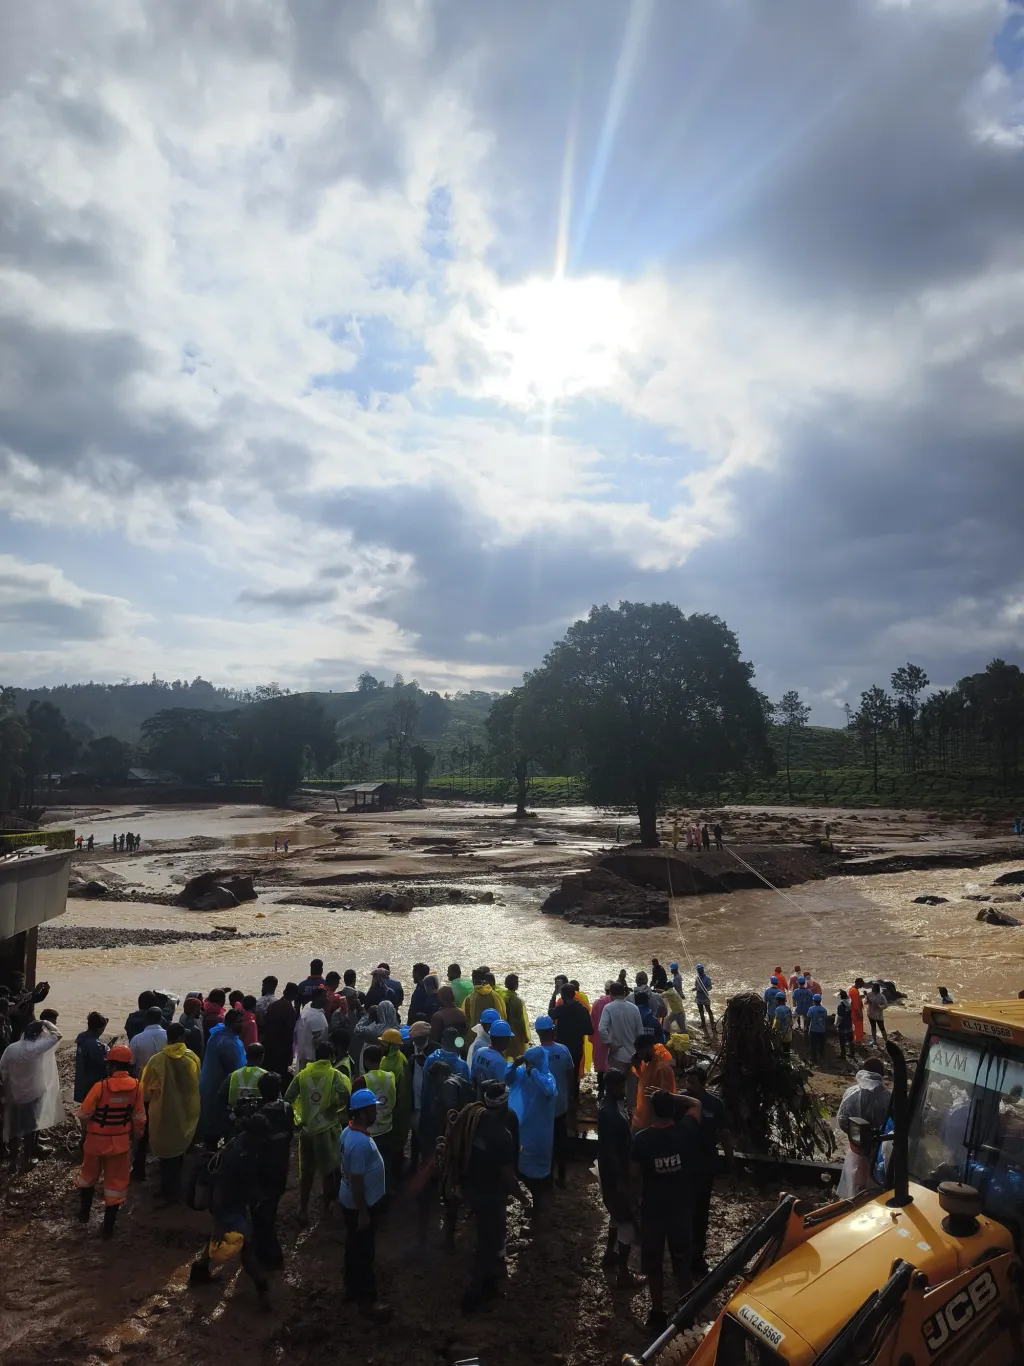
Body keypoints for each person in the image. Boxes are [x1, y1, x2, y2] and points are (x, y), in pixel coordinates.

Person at [451, 1081, 530, 1315]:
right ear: (504, 1102)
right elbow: (508, 1176)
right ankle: (474, 1296)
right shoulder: (502, 1135)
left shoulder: (472, 1121)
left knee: (485, 1238)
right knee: (489, 1244)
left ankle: (489, 1286)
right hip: (490, 1195)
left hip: (472, 1189)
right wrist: (524, 1199)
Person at [631, 1087, 703, 1334]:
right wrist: (675, 1097)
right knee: (681, 1262)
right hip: (681, 1208)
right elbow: (696, 1104)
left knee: (653, 1265)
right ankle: (685, 1309)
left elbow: (633, 1176)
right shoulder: (685, 1132)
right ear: (673, 1110)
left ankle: (657, 1311)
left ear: (652, 1111)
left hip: (653, 1211)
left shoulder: (641, 1140)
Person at [188, 1114, 272, 1309]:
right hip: (228, 1207)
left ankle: (200, 1271)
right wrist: (218, 1221)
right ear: (254, 1135)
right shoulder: (237, 1156)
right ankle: (262, 1287)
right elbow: (221, 1190)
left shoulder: (242, 1142)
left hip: (234, 1204)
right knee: (247, 1247)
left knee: (218, 1239)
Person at [75, 1042, 146, 1236]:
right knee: (115, 1186)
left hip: (95, 1141)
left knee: (88, 1177)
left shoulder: (101, 1086)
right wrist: (136, 1138)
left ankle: (84, 1214)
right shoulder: (137, 1087)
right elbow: (139, 1119)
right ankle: (108, 1228)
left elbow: (83, 1114)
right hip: (121, 1144)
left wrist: (85, 1135)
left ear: (111, 1065)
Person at [337, 1087, 391, 1320]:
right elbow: (357, 1180)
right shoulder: (359, 1143)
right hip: (361, 1204)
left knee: (353, 1246)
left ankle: (351, 1289)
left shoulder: (348, 1133)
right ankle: (368, 1301)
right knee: (364, 1253)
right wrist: (363, 1213)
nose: (375, 1113)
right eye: (372, 1109)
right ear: (360, 1114)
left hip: (351, 1200)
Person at [286, 1040, 351, 1222]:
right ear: (331, 1057)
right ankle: (326, 1209)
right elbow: (345, 1094)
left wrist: (297, 1120)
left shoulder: (303, 1074)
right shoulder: (335, 1075)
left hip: (307, 1130)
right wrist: (334, 1107)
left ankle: (303, 1209)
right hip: (327, 1129)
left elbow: (288, 1097)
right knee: (329, 1171)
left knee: (306, 1173)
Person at [140, 1022, 201, 1203]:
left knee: (166, 1155)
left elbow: (144, 1092)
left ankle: (170, 1191)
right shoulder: (192, 1058)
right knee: (179, 1150)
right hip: (186, 1111)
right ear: (182, 1038)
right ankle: (174, 1189)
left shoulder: (156, 1060)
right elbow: (197, 1083)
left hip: (163, 1112)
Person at [597, 1069, 643, 1287]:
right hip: (617, 1176)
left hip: (615, 1175)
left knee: (616, 1217)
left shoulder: (612, 1107)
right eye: (620, 1087)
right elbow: (610, 1153)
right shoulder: (609, 1113)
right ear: (612, 1087)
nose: (623, 1091)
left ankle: (609, 1255)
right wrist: (621, 1182)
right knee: (627, 1223)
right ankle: (623, 1273)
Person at [1, 1015, 63, 1170]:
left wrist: (6, 1093)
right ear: (37, 1035)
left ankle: (13, 1163)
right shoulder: (36, 1048)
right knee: (31, 1129)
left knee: (14, 1130)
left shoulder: (11, 1049)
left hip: (14, 1095)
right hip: (33, 1095)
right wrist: (45, 1022)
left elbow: (3, 1071)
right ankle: (25, 1161)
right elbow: (57, 1035)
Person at [251, 1071, 293, 1269]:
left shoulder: (259, 1117)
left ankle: (273, 1257)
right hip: (281, 1168)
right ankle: (263, 1252)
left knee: (262, 1216)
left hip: (262, 1173)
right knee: (269, 1211)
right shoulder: (287, 1109)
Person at [507, 1045, 558, 1206]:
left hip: (540, 1133)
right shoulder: (522, 1074)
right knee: (523, 1169)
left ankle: (540, 1209)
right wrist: (515, 1065)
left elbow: (548, 1090)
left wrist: (533, 1072)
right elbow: (507, 1078)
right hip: (524, 1129)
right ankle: (537, 1204)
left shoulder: (546, 1077)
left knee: (540, 1176)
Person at [836, 1057, 891, 1198]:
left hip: (856, 1149)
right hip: (878, 1152)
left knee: (855, 1184)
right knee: (874, 1190)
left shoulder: (851, 1093)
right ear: (882, 1075)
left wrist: (855, 1134)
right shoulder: (888, 1098)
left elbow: (841, 1119)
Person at [535, 1015, 575, 1185]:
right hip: (561, 1105)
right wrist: (571, 1098)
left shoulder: (534, 1054)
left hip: (543, 1107)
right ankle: (562, 1176)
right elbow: (571, 1075)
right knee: (561, 1141)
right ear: (552, 1030)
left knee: (545, 1142)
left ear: (537, 1032)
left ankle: (547, 1175)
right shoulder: (563, 1050)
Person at [198, 1009, 246, 1146]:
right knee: (221, 1124)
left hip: (208, 1085)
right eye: (239, 1022)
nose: (242, 1025)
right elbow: (236, 1071)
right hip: (219, 1087)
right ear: (230, 1023)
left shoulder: (218, 1034)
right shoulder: (229, 1044)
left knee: (210, 1122)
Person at [550, 982, 593, 1117]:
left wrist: (553, 995)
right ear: (575, 994)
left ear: (562, 996)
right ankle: (574, 1100)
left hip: (562, 1048)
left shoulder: (561, 1009)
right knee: (574, 1075)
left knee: (561, 1074)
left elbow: (549, 1014)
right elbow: (589, 1030)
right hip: (577, 1047)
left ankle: (562, 1102)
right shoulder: (583, 1009)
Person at [359, 1043, 397, 1183]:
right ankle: (385, 1191)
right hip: (387, 1127)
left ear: (366, 1062)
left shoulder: (362, 1081)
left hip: (369, 1132)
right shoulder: (390, 1076)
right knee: (385, 1164)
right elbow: (393, 1099)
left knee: (368, 1167)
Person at [380, 1028, 412, 1176]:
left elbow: (400, 1091)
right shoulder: (392, 1058)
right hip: (392, 1107)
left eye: (384, 1044)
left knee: (395, 1144)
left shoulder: (396, 1064)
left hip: (396, 1110)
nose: (381, 1047)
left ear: (391, 1046)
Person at [631, 1031, 676, 1132]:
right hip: (645, 1111)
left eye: (640, 1053)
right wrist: (637, 1067)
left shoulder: (661, 1066)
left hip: (654, 1117)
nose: (640, 1056)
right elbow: (645, 1080)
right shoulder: (651, 1062)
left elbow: (665, 1095)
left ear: (648, 1048)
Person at [599, 980, 643, 1075]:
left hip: (617, 1054)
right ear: (623, 993)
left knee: (616, 1085)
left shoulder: (608, 1008)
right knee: (632, 1087)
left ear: (610, 994)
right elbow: (640, 1032)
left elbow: (601, 1029)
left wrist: (609, 1044)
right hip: (633, 1055)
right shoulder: (634, 1008)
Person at [222, 1043, 268, 1125]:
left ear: (246, 1057)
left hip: (236, 1124)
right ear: (262, 1057)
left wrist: (233, 1118)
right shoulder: (266, 1076)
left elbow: (220, 1099)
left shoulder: (233, 1075)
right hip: (259, 1124)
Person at [262, 983, 300, 1078]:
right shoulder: (290, 1011)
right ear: (295, 996)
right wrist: (290, 1055)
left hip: (268, 1047)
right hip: (281, 1052)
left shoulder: (273, 1006)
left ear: (284, 992)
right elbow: (289, 1035)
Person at [74, 1012, 109, 1103]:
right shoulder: (92, 1043)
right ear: (97, 1029)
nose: (102, 1032)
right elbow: (102, 1061)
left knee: (86, 1103)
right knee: (93, 1104)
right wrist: (107, 1051)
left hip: (82, 1077)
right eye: (102, 1029)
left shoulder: (82, 1037)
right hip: (92, 1080)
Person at [471, 1018, 514, 1092]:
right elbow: (504, 1089)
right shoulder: (500, 1062)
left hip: (479, 1095)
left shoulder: (479, 1051)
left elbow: (473, 1077)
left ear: (490, 1037)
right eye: (509, 1038)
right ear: (504, 1040)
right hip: (492, 1099)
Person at [294, 988, 330, 1069]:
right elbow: (317, 1043)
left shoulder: (307, 1006)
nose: (326, 999)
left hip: (302, 1054)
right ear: (317, 998)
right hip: (312, 1060)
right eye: (324, 997)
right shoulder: (317, 1017)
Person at [129, 1004, 167, 1077]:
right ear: (161, 1019)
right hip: (163, 1081)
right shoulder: (169, 1037)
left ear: (146, 1019)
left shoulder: (136, 1039)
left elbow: (131, 1063)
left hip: (142, 1082)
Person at [590, 982, 614, 1099]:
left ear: (605, 990)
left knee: (600, 1067)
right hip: (615, 1039)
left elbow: (592, 1022)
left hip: (599, 1039)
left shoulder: (598, 1003)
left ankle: (601, 1090)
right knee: (613, 1065)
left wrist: (592, 1038)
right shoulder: (617, 1003)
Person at [503, 973, 531, 1056]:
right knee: (517, 1057)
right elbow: (521, 1020)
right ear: (516, 985)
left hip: (504, 1033)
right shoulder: (517, 1001)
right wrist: (525, 1036)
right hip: (516, 1034)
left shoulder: (501, 997)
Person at [693, 964, 715, 1035]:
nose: (700, 971)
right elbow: (696, 986)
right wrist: (695, 989)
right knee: (700, 1011)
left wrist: (705, 990)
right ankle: (703, 1023)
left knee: (709, 1010)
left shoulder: (707, 978)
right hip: (699, 997)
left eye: (701, 969)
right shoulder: (697, 978)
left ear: (703, 969)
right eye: (698, 970)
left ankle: (712, 1024)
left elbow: (710, 987)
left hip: (705, 997)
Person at [807, 993, 829, 1062]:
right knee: (821, 1044)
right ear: (820, 1001)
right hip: (822, 1030)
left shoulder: (811, 1009)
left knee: (813, 1045)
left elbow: (808, 1020)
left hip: (814, 1030)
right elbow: (825, 1020)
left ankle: (814, 1058)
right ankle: (821, 1056)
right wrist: (825, 1029)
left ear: (813, 1001)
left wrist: (807, 1028)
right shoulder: (824, 1010)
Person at [836, 990, 854, 1059]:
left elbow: (840, 1017)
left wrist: (837, 1024)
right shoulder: (849, 1004)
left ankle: (843, 1054)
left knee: (842, 1041)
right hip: (849, 1023)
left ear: (840, 997)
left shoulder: (840, 1005)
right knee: (851, 1040)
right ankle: (852, 1053)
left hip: (842, 1025)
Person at [849, 978, 866, 1045]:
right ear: (858, 983)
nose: (863, 985)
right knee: (858, 1027)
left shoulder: (851, 989)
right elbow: (856, 1005)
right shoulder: (855, 992)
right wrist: (859, 1013)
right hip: (856, 1012)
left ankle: (853, 1038)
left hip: (852, 1011)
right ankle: (858, 1041)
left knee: (853, 1026)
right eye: (862, 983)